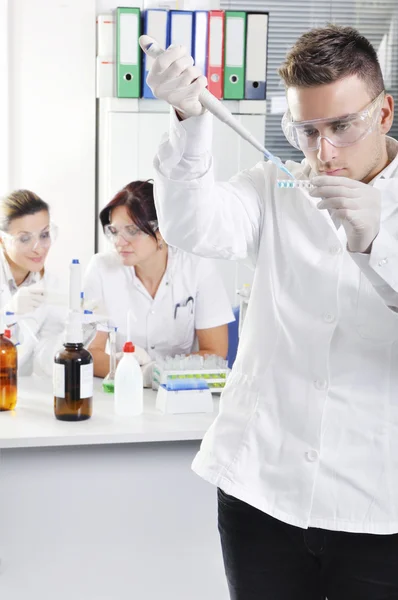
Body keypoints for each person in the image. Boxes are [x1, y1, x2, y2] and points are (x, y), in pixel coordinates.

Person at [142, 24, 398, 600]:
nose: (324, 151)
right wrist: (190, 119)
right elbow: (191, 225)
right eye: (306, 131)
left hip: (379, 506)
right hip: (260, 490)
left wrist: (379, 243)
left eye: (342, 125)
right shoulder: (274, 187)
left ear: (384, 114)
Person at [83, 180, 234, 382]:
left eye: (132, 231)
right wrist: (136, 373)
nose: (119, 242)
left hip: (181, 391)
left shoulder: (197, 266)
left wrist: (157, 371)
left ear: (161, 232)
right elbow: (89, 352)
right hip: (124, 388)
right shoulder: (101, 268)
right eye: (115, 231)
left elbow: (214, 352)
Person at [0, 189, 65, 375]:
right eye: (25, 238)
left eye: (44, 235)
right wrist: (8, 314)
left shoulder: (50, 285)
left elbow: (44, 359)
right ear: (2, 240)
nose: (39, 249)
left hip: (17, 391)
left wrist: (77, 334)